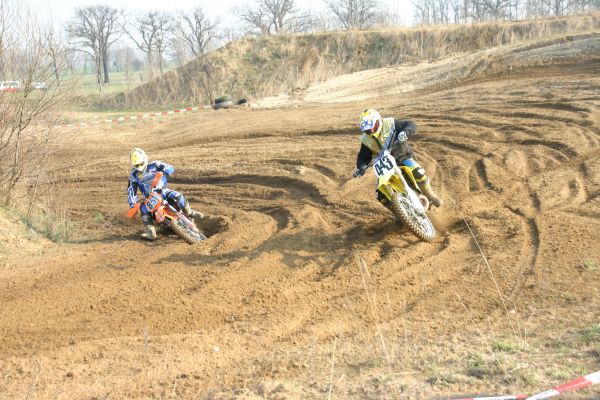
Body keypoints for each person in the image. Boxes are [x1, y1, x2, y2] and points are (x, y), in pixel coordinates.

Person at [352, 109, 443, 208]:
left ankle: (430, 195)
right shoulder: (365, 140)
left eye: (373, 127)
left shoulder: (390, 123)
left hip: (402, 157)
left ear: (378, 121)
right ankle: (399, 212)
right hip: (385, 166)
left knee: (418, 172)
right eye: (367, 131)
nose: (371, 131)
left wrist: (405, 132)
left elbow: (410, 124)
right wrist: (361, 167)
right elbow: (362, 157)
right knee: (381, 195)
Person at [127, 148, 203, 240]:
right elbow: (131, 191)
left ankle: (190, 212)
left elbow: (170, 168)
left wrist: (164, 171)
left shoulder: (155, 165)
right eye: (137, 165)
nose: (139, 166)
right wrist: (132, 205)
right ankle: (150, 231)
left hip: (162, 190)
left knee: (177, 196)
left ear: (145, 159)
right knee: (143, 208)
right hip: (149, 197)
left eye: (141, 163)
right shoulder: (133, 175)